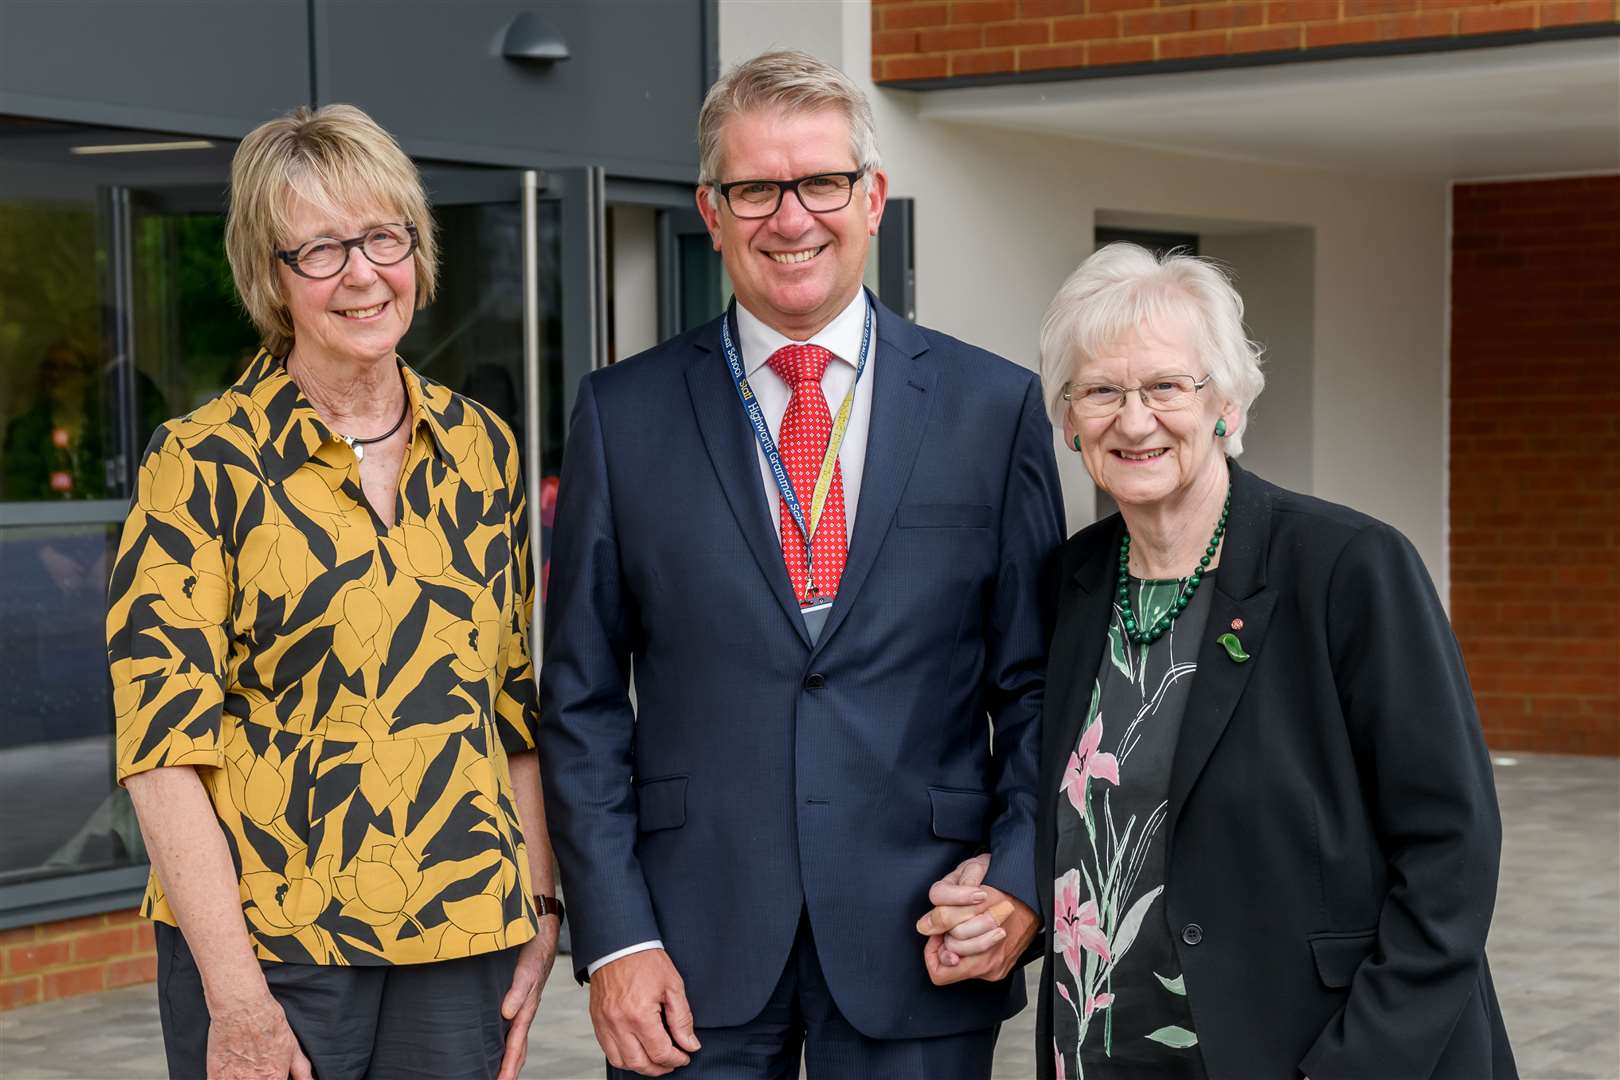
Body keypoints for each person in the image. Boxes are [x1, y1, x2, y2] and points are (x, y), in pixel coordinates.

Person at [538, 50, 1064, 1079]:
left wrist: (1019, 877)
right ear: (711, 208)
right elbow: (582, 702)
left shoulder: (992, 410)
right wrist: (616, 936)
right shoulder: (621, 414)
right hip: (687, 950)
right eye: (755, 189)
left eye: (821, 182)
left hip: (929, 930)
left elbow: (1042, 682)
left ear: (870, 197)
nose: (792, 218)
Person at [921, 242, 1517, 1079]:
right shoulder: (1072, 584)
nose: (1134, 420)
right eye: (1099, 391)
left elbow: (1452, 851)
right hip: (1107, 1048)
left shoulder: (1348, 566)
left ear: (1226, 403)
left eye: (1166, 386)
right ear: (1068, 420)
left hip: (1320, 1049)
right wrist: (1004, 899)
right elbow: (1084, 823)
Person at [106, 104, 559, 1080]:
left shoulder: (482, 449)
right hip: (274, 948)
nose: (361, 274)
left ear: (417, 249)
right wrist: (235, 999)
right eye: (319, 250)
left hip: (462, 933)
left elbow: (511, 707)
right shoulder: (199, 464)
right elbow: (160, 752)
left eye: (382, 238)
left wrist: (540, 902)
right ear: (272, 277)